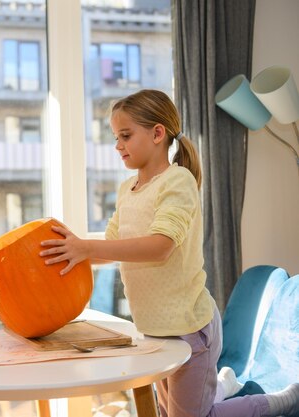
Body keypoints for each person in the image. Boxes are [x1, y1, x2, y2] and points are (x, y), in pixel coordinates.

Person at [39, 89, 299, 417]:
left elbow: (161, 247)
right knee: (166, 411)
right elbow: (113, 247)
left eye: (125, 136)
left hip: (190, 328)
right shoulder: (126, 190)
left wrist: (86, 247)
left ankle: (279, 400)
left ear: (158, 133)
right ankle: (223, 385)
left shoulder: (177, 181)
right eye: (116, 137)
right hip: (153, 329)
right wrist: (72, 250)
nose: (118, 145)